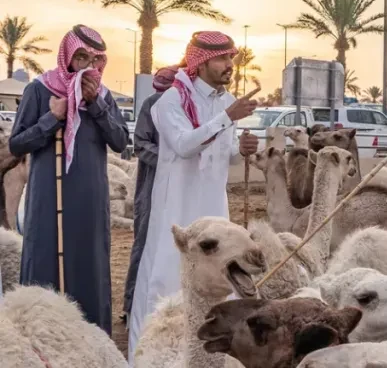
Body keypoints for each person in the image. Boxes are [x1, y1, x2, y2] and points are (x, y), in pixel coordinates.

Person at [128, 32, 259, 358]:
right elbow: (185, 145)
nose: (230, 65)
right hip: (177, 210)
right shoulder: (170, 101)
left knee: (216, 280)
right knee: (165, 280)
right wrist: (227, 117)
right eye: (222, 59)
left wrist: (242, 148)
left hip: (214, 208)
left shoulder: (226, 103)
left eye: (231, 58)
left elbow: (223, 152)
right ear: (200, 62)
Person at [9, 25, 128, 334]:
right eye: (81, 57)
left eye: (95, 58)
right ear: (67, 56)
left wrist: (97, 107)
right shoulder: (40, 90)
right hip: (49, 199)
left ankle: (91, 343)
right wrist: (53, 118)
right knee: (45, 264)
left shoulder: (102, 96)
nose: (89, 66)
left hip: (89, 201)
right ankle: (39, 342)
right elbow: (18, 144)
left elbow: (119, 141)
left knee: (89, 267)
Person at [121, 66, 176, 323]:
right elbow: (141, 144)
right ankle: (132, 305)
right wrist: (170, 159)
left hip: (181, 187)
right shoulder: (152, 104)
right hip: (152, 186)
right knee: (144, 245)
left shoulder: (187, 106)